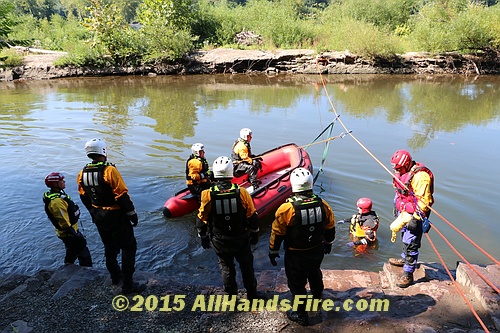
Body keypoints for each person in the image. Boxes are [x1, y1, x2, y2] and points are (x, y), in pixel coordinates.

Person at [77, 138, 146, 294]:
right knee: (128, 247)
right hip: (116, 215)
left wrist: (93, 212)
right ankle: (128, 284)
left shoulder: (82, 172)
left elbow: (83, 196)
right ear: (103, 151)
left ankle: (115, 276)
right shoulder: (109, 171)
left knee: (109, 246)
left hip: (99, 216)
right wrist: (132, 214)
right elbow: (121, 195)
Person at [268, 167, 336, 326]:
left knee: (297, 283)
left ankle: (301, 314)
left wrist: (273, 250)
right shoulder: (323, 204)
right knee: (314, 273)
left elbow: (277, 232)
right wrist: (329, 243)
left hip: (296, 254)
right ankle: (318, 297)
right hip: (316, 250)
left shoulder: (287, 208)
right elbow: (330, 226)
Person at [196, 156, 261, 300]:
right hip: (241, 239)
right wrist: (255, 233)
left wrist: (203, 236)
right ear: (231, 173)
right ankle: (252, 295)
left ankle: (231, 297)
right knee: (246, 266)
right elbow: (252, 216)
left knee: (226, 267)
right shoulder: (242, 193)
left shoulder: (207, 194)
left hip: (220, 240)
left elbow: (202, 219)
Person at [388, 149, 434, 288]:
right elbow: (400, 190)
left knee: (411, 242)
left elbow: (424, 201)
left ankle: (408, 274)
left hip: (415, 214)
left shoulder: (421, 177)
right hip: (405, 210)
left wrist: (415, 219)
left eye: (400, 168)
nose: (398, 170)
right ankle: (404, 259)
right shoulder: (403, 172)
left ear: (407, 164)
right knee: (404, 236)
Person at [43, 172, 92, 267]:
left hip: (69, 231)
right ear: (55, 184)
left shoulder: (58, 195)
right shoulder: (56, 202)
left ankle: (68, 266)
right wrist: (75, 234)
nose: (64, 182)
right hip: (69, 232)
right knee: (83, 252)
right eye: (61, 181)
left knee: (72, 251)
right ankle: (87, 273)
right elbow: (63, 221)